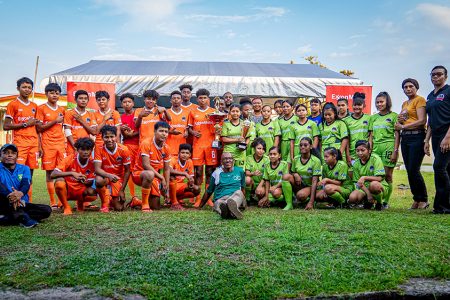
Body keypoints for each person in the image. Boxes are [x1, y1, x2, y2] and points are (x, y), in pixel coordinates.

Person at [3, 77, 40, 202]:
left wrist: (39, 146)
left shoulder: (35, 106)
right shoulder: (12, 104)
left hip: (33, 143)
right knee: (17, 172)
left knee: (30, 173)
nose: (27, 89)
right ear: (18, 88)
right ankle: (15, 198)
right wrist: (25, 124)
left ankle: (27, 200)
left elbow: (37, 127)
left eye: (29, 87)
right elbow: (6, 125)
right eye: (24, 87)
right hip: (20, 143)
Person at [394, 79, 428, 209]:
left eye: (411, 86)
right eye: (405, 87)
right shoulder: (404, 103)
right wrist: (400, 123)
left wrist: (403, 126)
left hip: (417, 136)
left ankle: (423, 199)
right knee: (409, 170)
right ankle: (416, 199)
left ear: (416, 87)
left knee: (414, 169)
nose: (408, 89)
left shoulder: (420, 100)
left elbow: (421, 120)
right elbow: (403, 120)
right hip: (406, 138)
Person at [0, 144, 51, 228]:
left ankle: (6, 218)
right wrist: (11, 197)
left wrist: (20, 194)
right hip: (3, 202)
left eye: (13, 153)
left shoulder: (24, 168)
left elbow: (26, 183)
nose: (9, 155)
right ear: (0, 155)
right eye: (5, 153)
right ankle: (23, 218)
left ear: (17, 156)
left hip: (22, 203)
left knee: (46, 210)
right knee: (10, 204)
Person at [424, 65, 450, 214]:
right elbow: (430, 120)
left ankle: (442, 206)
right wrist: (426, 140)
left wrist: (448, 137)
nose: (435, 77)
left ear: (445, 76)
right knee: (446, 169)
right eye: (433, 74)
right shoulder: (430, 96)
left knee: (439, 167)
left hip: (447, 135)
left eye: (439, 74)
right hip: (436, 136)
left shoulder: (448, 91)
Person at [36, 83, 65, 210]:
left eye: (57, 93)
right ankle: (52, 201)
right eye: (51, 92)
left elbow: (64, 127)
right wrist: (55, 121)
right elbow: (39, 128)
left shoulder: (62, 109)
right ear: (46, 94)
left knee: (60, 171)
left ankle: (61, 201)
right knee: (49, 172)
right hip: (48, 144)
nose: (54, 95)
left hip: (60, 143)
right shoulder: (41, 108)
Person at [369, 92, 400, 208]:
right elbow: (371, 135)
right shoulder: (373, 118)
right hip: (376, 148)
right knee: (376, 175)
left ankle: (385, 202)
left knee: (388, 175)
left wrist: (395, 151)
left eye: (381, 101)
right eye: (377, 102)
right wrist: (370, 148)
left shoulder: (394, 116)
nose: (379, 104)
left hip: (389, 147)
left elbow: (397, 135)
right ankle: (377, 199)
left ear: (387, 102)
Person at [51, 138, 98, 215]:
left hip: (81, 189)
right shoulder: (70, 158)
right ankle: (66, 207)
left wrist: (85, 180)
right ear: (77, 150)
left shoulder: (92, 162)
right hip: (68, 190)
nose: (85, 152)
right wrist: (72, 173)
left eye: (88, 149)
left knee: (92, 194)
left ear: (92, 150)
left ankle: (80, 203)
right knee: (59, 182)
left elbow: (90, 182)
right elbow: (53, 174)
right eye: (82, 149)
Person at [132, 121, 171, 212]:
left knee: (156, 206)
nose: (164, 134)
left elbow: (166, 169)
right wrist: (161, 178)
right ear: (154, 131)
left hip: (154, 176)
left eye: (166, 132)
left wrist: (167, 187)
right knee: (149, 174)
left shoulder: (167, 148)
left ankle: (137, 202)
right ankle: (145, 205)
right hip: (139, 174)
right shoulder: (146, 143)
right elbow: (146, 165)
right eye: (161, 131)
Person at [188, 88, 217, 207]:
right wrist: (193, 133)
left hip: (211, 146)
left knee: (210, 172)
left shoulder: (214, 112)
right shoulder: (192, 112)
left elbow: (218, 128)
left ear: (208, 99)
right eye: (200, 98)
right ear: (197, 99)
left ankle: (208, 198)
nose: (203, 100)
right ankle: (198, 198)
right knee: (198, 172)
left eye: (205, 98)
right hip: (198, 146)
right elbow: (189, 128)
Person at [198, 152, 246, 219]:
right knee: (218, 203)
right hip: (221, 198)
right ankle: (229, 212)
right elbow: (209, 191)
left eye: (230, 158)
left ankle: (229, 209)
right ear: (221, 162)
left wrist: (244, 201)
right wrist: (200, 206)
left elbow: (243, 188)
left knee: (238, 193)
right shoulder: (216, 173)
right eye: (225, 159)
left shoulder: (240, 171)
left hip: (235, 196)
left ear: (233, 161)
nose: (228, 160)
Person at [94, 126, 132, 212]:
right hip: (105, 177)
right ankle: (104, 203)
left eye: (112, 136)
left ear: (116, 136)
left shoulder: (124, 149)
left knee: (119, 208)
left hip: (117, 179)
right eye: (106, 137)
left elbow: (127, 171)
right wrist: (109, 175)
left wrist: (122, 190)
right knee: (98, 180)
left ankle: (111, 198)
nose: (109, 139)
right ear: (102, 137)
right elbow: (97, 169)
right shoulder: (98, 148)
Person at [348, 140, 388, 210]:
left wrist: (365, 177)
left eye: (363, 150)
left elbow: (379, 178)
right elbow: (358, 183)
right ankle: (368, 201)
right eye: (357, 151)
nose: (360, 153)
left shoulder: (375, 159)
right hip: (364, 188)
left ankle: (379, 203)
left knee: (374, 185)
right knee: (352, 198)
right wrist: (368, 194)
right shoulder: (356, 163)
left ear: (369, 150)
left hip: (379, 185)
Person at [119, 93, 141, 207]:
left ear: (133, 103)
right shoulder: (121, 118)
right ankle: (134, 197)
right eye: (124, 102)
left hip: (140, 145)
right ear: (121, 104)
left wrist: (132, 133)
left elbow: (142, 130)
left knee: (141, 170)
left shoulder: (138, 114)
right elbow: (125, 136)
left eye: (129, 102)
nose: (127, 104)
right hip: (127, 146)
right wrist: (125, 132)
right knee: (129, 171)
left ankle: (147, 195)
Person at [258, 146, 294, 210]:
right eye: (270, 154)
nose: (272, 156)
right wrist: (266, 196)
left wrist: (275, 186)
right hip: (272, 189)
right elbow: (267, 180)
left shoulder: (284, 164)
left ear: (279, 155)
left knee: (276, 193)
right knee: (261, 202)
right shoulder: (267, 165)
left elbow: (285, 179)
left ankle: (288, 201)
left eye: (274, 154)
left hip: (282, 187)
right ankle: (276, 201)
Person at [63, 90, 97, 157]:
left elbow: (94, 132)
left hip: (86, 147)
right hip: (72, 146)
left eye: (85, 99)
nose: (83, 100)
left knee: (86, 166)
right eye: (81, 98)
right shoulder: (69, 113)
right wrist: (75, 146)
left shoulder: (91, 114)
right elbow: (67, 131)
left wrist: (81, 120)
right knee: (72, 166)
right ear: (75, 100)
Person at [291, 137, 321, 210]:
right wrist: (295, 174)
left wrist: (311, 202)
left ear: (311, 146)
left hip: (311, 186)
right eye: (301, 145)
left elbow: (314, 182)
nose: (302, 147)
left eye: (305, 145)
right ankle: (289, 203)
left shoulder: (316, 161)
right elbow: (292, 171)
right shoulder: (295, 159)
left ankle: (310, 200)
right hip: (300, 185)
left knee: (301, 195)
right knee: (286, 177)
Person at [168, 144, 200, 209]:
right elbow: (169, 170)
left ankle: (174, 199)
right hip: (168, 187)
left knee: (196, 189)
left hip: (179, 186)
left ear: (190, 155)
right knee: (172, 176)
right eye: (182, 152)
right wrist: (185, 174)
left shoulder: (190, 161)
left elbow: (191, 177)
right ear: (178, 153)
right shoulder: (173, 159)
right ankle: (174, 202)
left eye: (187, 153)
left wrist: (191, 182)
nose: (184, 155)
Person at [344, 92, 371, 167]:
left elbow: (370, 136)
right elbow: (346, 139)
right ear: (352, 106)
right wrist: (347, 155)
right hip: (353, 153)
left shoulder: (369, 118)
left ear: (363, 106)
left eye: (359, 105)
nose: (357, 107)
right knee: (352, 176)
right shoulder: (346, 120)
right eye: (355, 105)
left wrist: (369, 150)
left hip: (365, 152)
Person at [244, 138, 270, 204]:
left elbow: (267, 176)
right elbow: (247, 173)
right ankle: (248, 198)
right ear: (254, 149)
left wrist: (260, 186)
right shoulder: (249, 158)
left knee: (260, 192)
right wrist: (253, 173)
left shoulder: (267, 159)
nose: (261, 151)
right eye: (259, 148)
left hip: (262, 183)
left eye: (263, 149)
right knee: (247, 179)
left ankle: (258, 197)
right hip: (252, 183)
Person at [166, 91, 190, 157]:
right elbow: (161, 129)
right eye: (174, 98)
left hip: (182, 147)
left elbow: (188, 127)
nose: (176, 100)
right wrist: (171, 132)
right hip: (169, 145)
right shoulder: (166, 113)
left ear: (181, 100)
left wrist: (187, 131)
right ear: (170, 100)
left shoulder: (187, 113)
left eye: (178, 98)